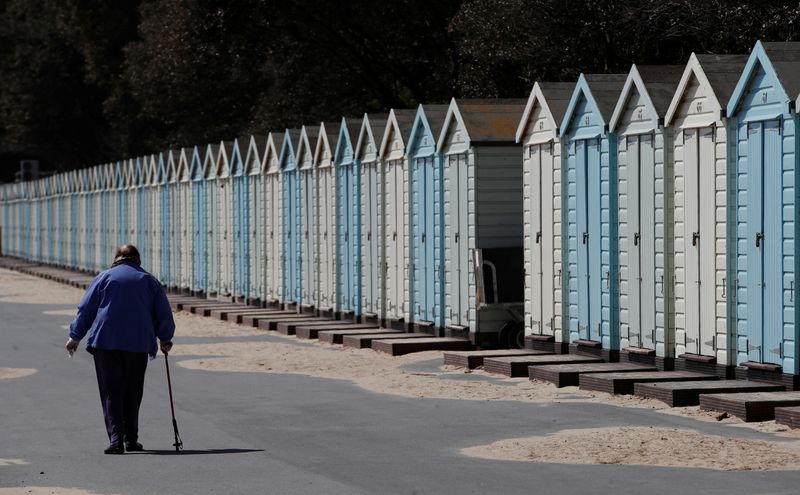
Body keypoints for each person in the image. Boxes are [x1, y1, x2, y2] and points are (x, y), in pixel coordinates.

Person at [65, 244, 175, 455]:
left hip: (106, 342)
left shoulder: (104, 277)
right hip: (138, 343)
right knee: (133, 391)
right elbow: (163, 313)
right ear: (137, 260)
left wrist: (75, 336)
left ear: (116, 258)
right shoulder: (149, 280)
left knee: (111, 391)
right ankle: (131, 439)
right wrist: (166, 338)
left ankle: (116, 441)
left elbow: (86, 309)